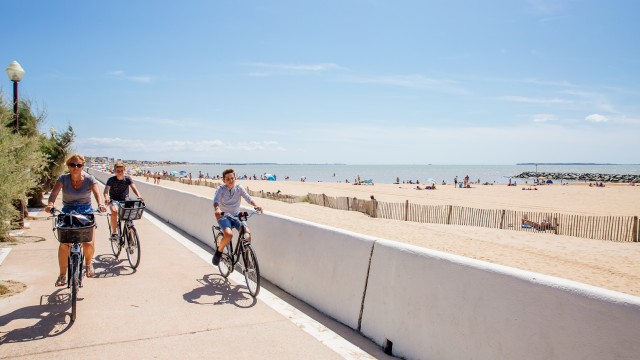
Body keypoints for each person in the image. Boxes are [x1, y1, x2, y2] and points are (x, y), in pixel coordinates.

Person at [44, 153, 107, 286]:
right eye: (72, 165)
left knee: (88, 243)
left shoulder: (90, 179)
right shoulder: (63, 178)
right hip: (68, 212)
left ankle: (88, 264)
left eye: (79, 165)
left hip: (86, 213)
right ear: (68, 166)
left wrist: (100, 204)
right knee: (64, 244)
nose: (75, 167)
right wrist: (50, 204)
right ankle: (62, 275)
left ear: (83, 166)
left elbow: (97, 193)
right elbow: (54, 193)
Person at [212, 169, 263, 266]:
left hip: (236, 216)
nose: (230, 180)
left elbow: (248, 198)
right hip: (224, 216)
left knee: (247, 233)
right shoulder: (221, 189)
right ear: (223, 180)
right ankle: (219, 251)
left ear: (235, 178)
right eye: (227, 179)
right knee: (228, 235)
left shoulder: (239, 188)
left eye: (232, 178)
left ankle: (247, 258)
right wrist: (217, 209)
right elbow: (216, 201)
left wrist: (256, 206)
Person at [103, 161, 144, 241]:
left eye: (121, 170)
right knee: (114, 211)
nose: (120, 172)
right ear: (114, 171)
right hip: (114, 200)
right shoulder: (111, 180)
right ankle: (114, 233)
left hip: (125, 200)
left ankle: (131, 236)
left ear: (124, 170)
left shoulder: (127, 179)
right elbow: (106, 191)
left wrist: (139, 196)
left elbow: (134, 188)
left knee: (129, 215)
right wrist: (106, 198)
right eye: (118, 171)